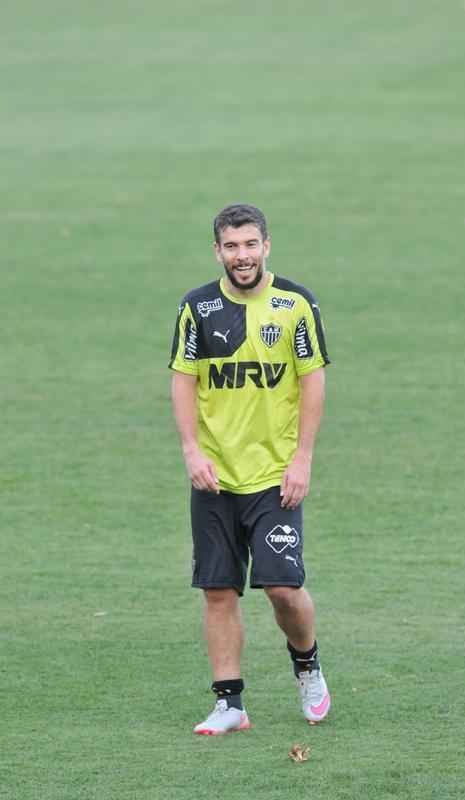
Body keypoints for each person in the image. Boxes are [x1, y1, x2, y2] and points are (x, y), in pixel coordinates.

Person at [168, 203, 331, 735]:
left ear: (267, 246)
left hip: (275, 475)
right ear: (218, 251)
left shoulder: (295, 304)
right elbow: (183, 378)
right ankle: (229, 704)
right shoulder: (197, 307)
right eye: (232, 246)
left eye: (250, 244)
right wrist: (192, 450)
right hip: (216, 475)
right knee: (218, 590)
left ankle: (306, 664)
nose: (242, 256)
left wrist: (302, 458)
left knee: (282, 587)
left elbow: (312, 380)